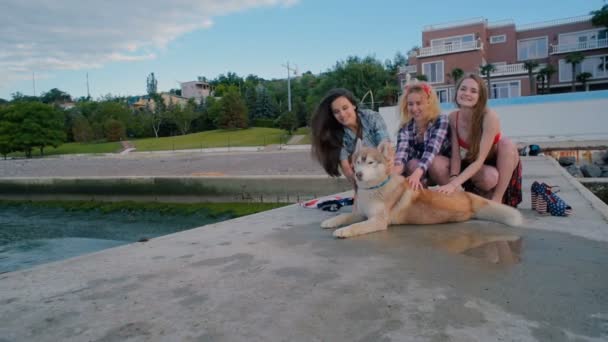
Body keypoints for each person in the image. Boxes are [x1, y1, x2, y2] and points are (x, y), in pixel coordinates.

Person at [436, 73, 522, 207]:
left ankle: (497, 198)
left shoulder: (489, 117)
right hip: (473, 164)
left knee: (506, 144)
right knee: (437, 163)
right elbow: (456, 155)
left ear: (480, 97)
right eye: (463, 89)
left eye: (473, 91)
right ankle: (464, 196)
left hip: (495, 165)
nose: (466, 93)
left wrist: (453, 184)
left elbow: (480, 160)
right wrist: (453, 179)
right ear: (457, 91)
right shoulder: (453, 117)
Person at [311, 88, 391, 186]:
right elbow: (347, 168)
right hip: (362, 177)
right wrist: (360, 187)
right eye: (336, 112)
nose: (342, 114)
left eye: (345, 108)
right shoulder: (337, 135)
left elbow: (384, 141)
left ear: (353, 105)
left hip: (384, 167)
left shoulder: (371, 117)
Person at [392, 81, 451, 190]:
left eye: (419, 103)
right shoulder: (405, 128)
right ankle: (424, 201)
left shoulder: (441, 120)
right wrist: (391, 176)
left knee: (436, 164)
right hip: (421, 173)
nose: (414, 109)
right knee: (411, 164)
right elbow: (401, 155)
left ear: (429, 103)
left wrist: (418, 172)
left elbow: (432, 149)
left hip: (443, 168)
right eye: (410, 104)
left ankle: (454, 196)